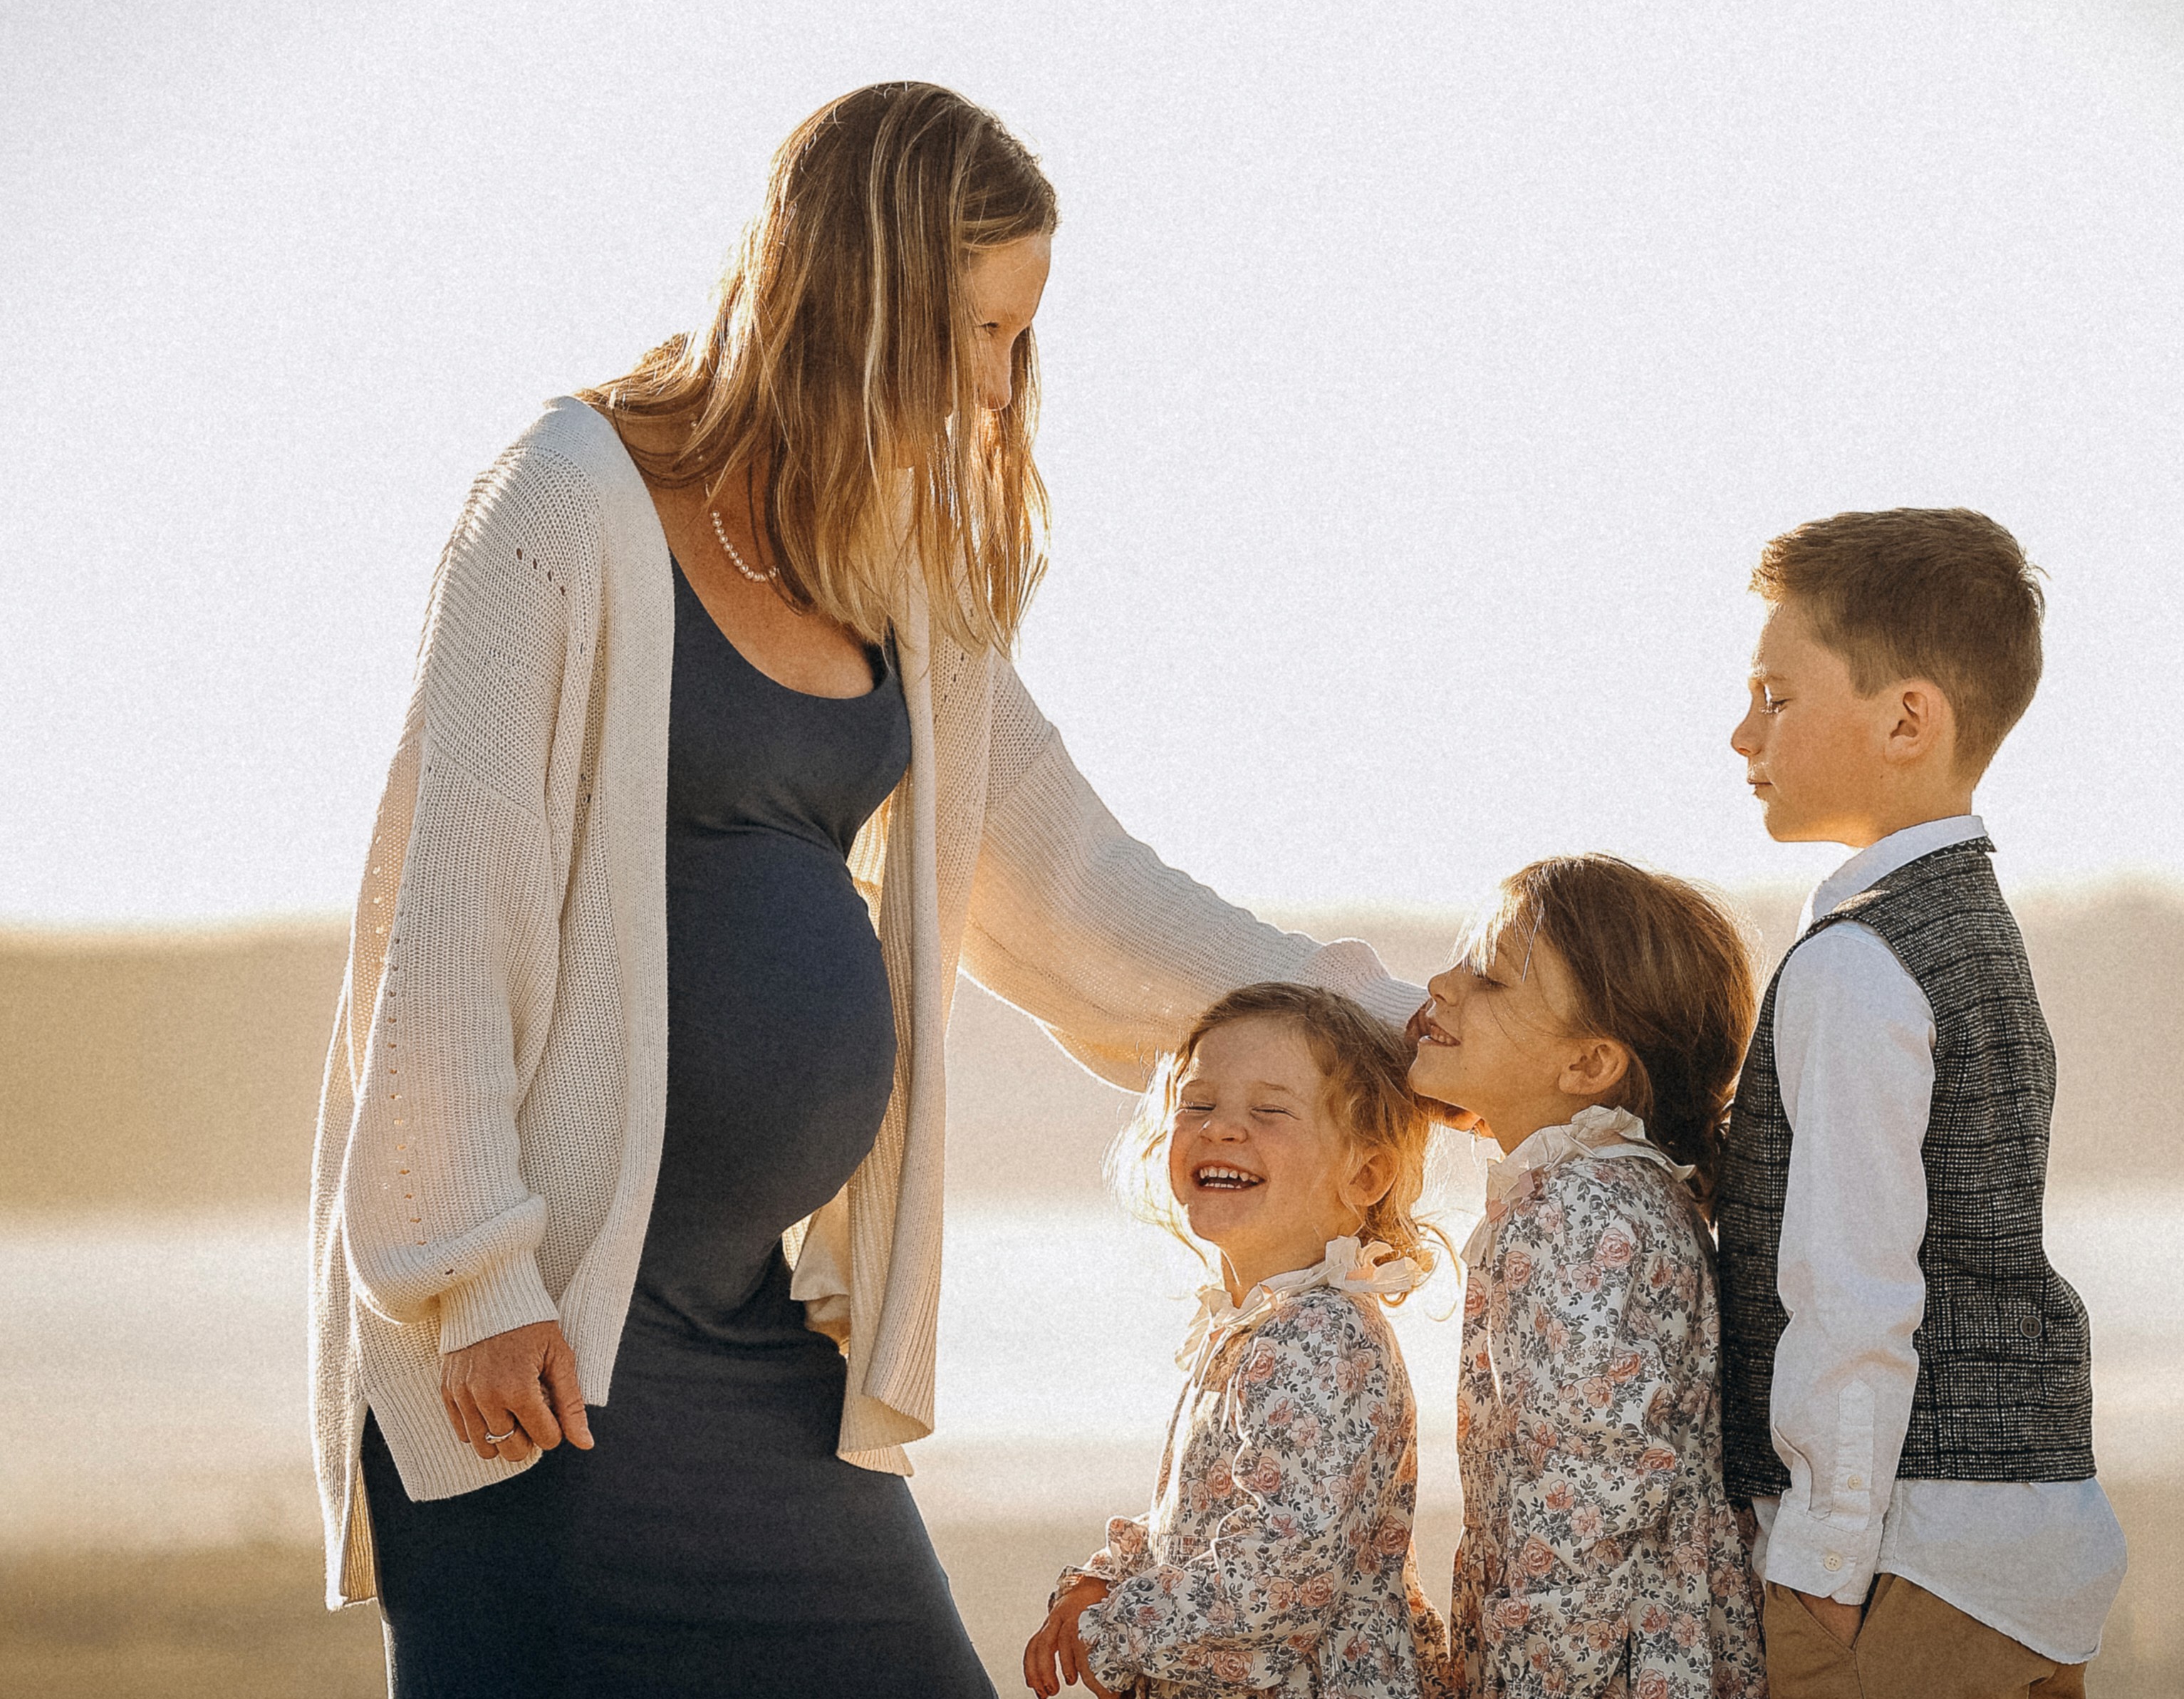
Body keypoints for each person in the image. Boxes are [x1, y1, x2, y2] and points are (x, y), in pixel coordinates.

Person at [304, 81, 1425, 1698]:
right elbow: (450, 901)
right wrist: (473, 1277)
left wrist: (1380, 1017)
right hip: (544, 1347)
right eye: (974, 329)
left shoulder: (894, 563)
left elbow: (1070, 883)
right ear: (859, 287)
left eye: (1017, 342)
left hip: (756, 1336)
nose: (995, 385)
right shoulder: (571, 500)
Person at [1715, 509, 2128, 1698]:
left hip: (1911, 1558)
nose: (1741, 730)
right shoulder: (1971, 929)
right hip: (2034, 1536)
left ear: (1907, 719)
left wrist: (1819, 1571)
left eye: (1775, 694)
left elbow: (1855, 1296)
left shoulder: (1857, 961)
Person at [1409, 853, 1769, 1698]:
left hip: (1606, 1666)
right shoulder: (1616, 1186)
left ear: (1586, 1066)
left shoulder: (1578, 1211)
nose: (1439, 983)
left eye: (1487, 979)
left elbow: (1593, 1493)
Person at [1026, 982, 1450, 1698]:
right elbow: (1196, 1522)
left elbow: (1279, 1576)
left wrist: (1119, 1626)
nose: (1222, 1128)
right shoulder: (1257, 1323)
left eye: (1269, 1110)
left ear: (1366, 1173)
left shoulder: (1322, 1338)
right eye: (1198, 1104)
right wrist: (1106, 1578)